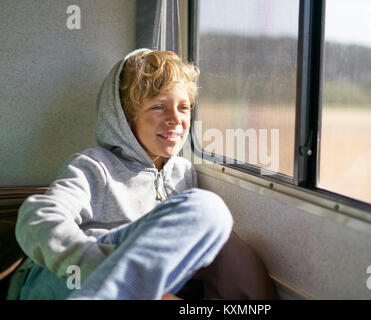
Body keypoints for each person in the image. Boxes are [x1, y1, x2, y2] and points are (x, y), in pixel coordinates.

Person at [11, 49, 234, 300]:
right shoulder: (94, 166)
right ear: (126, 120)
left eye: (184, 107)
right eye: (159, 106)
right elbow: (37, 218)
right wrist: (106, 268)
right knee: (207, 206)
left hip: (140, 291)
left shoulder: (184, 173)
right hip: (67, 282)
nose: (175, 119)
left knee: (212, 215)